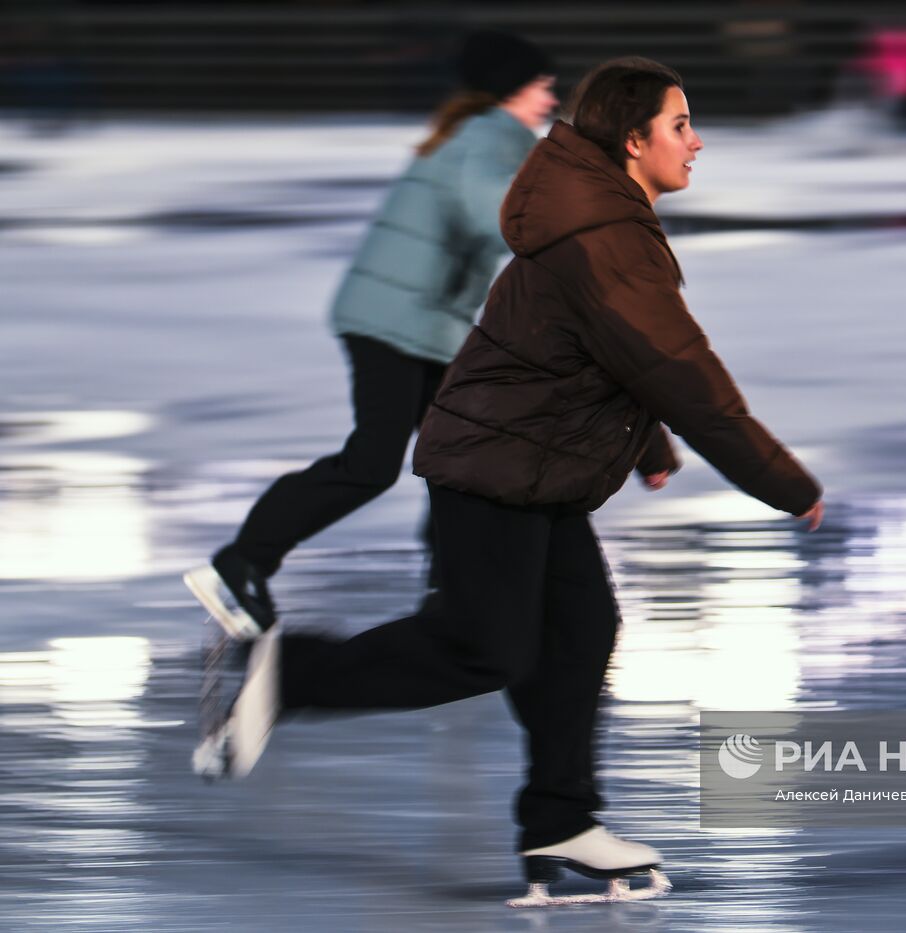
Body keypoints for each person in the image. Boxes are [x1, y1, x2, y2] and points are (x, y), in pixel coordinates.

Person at [196, 57, 824, 908]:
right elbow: (683, 371)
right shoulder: (605, 234)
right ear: (633, 140)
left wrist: (645, 446)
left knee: (581, 630)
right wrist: (784, 482)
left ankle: (560, 818)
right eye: (681, 125)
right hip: (496, 467)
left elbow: (599, 353)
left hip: (535, 465)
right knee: (482, 647)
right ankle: (286, 674)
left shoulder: (600, 217)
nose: (696, 140)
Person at [184, 31, 557, 636]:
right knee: (376, 463)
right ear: (513, 88)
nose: (549, 97)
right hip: (396, 324)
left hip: (415, 323)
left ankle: (452, 585)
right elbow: (494, 213)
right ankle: (242, 563)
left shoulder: (477, 132)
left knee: (462, 452)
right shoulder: (492, 134)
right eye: (542, 85)